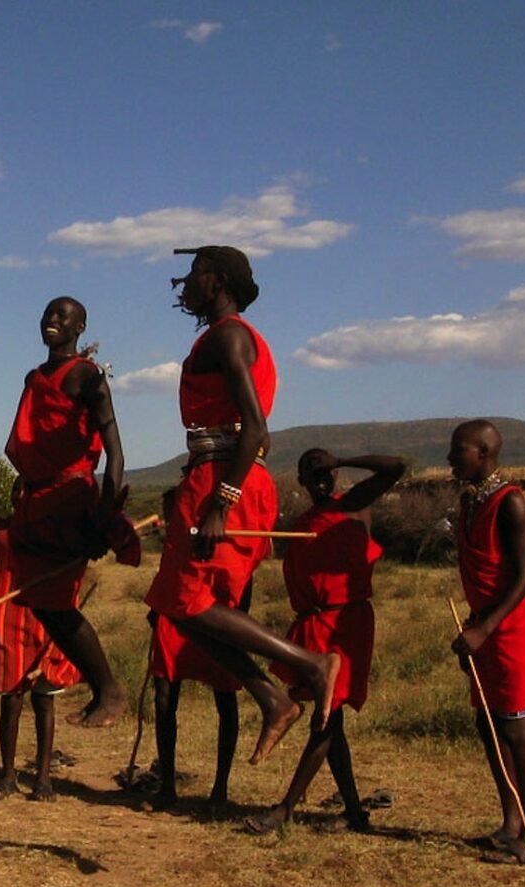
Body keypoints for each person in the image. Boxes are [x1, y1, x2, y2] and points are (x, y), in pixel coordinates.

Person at [144, 245, 340, 766]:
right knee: (176, 606)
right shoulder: (224, 336)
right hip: (216, 475)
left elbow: (255, 427)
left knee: (187, 603)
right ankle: (272, 699)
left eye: (195, 273)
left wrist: (221, 503)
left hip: (224, 480)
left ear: (218, 281)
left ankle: (312, 665)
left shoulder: (230, 336)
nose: (185, 283)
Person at [245, 450, 405, 834]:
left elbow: (395, 467)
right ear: (300, 480)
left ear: (334, 475)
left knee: (326, 718)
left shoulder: (352, 504)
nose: (319, 479)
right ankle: (354, 812)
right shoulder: (302, 523)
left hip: (346, 625)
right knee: (331, 721)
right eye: (311, 472)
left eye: (325, 472)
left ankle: (285, 808)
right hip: (315, 623)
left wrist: (342, 459)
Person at [2, 296, 130, 729]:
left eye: (63, 316)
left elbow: (115, 455)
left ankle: (108, 689)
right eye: (48, 313)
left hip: (71, 501)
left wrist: (104, 518)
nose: (52, 320)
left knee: (54, 601)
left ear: (80, 328)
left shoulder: (87, 377)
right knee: (40, 601)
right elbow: (33, 440)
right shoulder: (34, 377)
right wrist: (24, 480)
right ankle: (101, 688)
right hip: (37, 503)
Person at [448, 420, 525, 864]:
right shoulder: (470, 500)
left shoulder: (511, 503)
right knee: (487, 723)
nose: (450, 458)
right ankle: (511, 823)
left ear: (484, 453)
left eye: (458, 450)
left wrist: (484, 629)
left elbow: (524, 577)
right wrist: (473, 626)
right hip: (486, 625)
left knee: (516, 727)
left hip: (513, 628)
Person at [0, 518, 81, 802]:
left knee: (43, 700)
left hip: (45, 618)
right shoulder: (1, 532)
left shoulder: (55, 530)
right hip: (8, 616)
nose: (21, 498)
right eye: (17, 496)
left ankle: (43, 778)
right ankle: (8, 776)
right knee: (11, 699)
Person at [146, 566, 245, 813]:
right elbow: (170, 564)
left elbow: (244, 573)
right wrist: (156, 604)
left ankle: (220, 790)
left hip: (219, 612)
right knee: (163, 699)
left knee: (225, 695)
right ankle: (167, 788)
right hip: (175, 609)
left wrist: (241, 620)